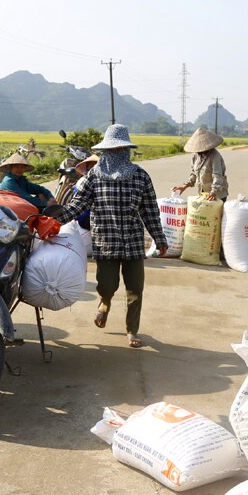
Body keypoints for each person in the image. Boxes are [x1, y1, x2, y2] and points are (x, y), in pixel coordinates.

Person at [53, 125, 168, 348]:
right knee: (107, 285)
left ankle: (132, 330)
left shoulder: (140, 177)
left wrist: (159, 238)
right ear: (105, 151)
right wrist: (54, 220)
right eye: (112, 150)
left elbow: (150, 211)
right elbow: (77, 206)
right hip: (106, 242)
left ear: (127, 150)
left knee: (135, 289)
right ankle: (104, 303)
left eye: (121, 149)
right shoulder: (94, 177)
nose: (117, 154)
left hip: (133, 242)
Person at [172, 127, 228, 201]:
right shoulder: (196, 156)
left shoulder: (215, 156)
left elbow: (217, 176)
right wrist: (184, 186)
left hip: (217, 194)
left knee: (214, 212)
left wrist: (213, 192)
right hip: (203, 193)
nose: (199, 151)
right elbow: (194, 174)